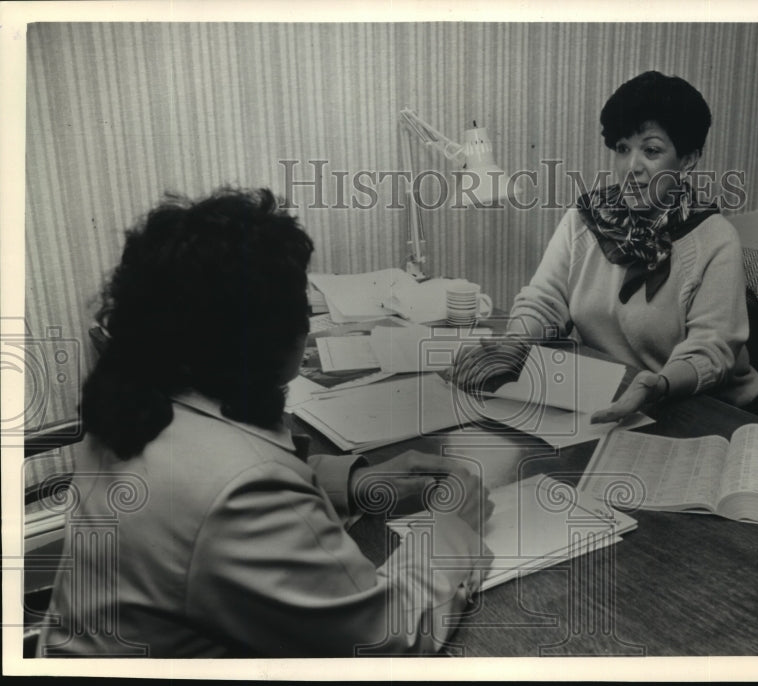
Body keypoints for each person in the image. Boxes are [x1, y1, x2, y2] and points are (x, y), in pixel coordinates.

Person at [38, 188, 492, 657]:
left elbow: (214, 483)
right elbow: (378, 646)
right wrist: (453, 530)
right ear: (281, 334)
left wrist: (354, 481)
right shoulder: (241, 492)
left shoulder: (132, 392)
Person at [454, 71, 758, 419]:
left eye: (651, 150)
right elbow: (546, 299)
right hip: (605, 394)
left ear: (688, 160)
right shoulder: (586, 218)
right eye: (623, 149)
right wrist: (515, 343)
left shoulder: (715, 239)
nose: (632, 167)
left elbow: (710, 353)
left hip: (697, 406)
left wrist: (657, 385)